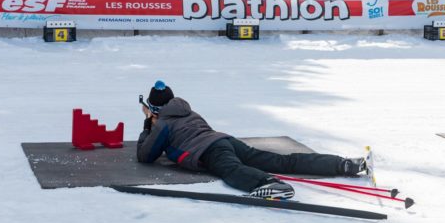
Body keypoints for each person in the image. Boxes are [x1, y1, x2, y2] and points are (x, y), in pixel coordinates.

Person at [137, 80, 368, 200]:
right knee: (281, 161)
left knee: (231, 170)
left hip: (209, 151)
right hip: (226, 141)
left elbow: (145, 155)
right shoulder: (189, 111)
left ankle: (267, 185)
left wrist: (148, 124)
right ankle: (344, 164)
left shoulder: (162, 123)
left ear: (154, 109)